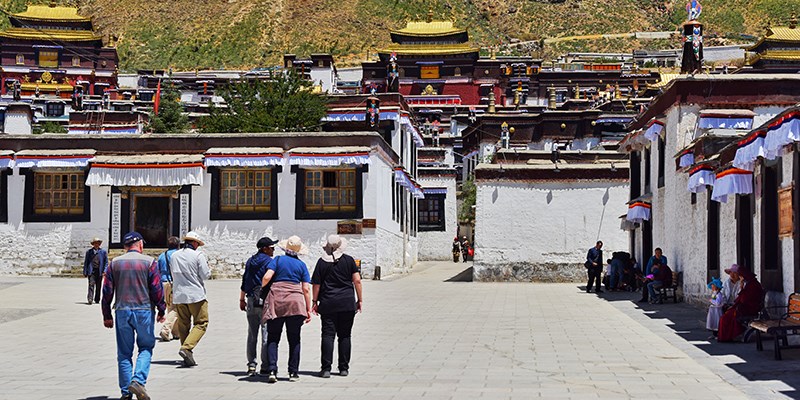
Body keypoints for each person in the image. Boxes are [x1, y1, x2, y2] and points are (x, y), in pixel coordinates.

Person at [101, 232, 166, 400]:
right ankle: (138, 380)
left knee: (124, 353)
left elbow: (107, 291)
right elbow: (156, 289)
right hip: (144, 310)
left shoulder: (114, 263)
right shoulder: (150, 262)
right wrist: (161, 308)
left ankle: (125, 392)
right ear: (140, 245)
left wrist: (106, 314)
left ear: (125, 247)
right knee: (145, 347)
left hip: (122, 310)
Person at [261, 235, 313, 383]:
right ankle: (293, 373)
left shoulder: (277, 260)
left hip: (276, 301)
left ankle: (272, 370)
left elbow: (267, 277)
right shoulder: (302, 265)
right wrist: (308, 309)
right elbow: (306, 288)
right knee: (294, 339)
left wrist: (262, 289)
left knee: (273, 337)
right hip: (295, 304)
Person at [311, 235, 363, 378]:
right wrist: (360, 300)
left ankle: (326, 368)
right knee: (345, 335)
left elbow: (316, 284)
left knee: (328, 335)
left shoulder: (321, 262)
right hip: (347, 303)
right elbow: (357, 281)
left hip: (328, 303)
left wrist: (314, 302)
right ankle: (343, 368)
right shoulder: (349, 260)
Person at [171, 231, 211, 367]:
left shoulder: (174, 256)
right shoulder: (198, 255)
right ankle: (187, 348)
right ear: (194, 243)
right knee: (201, 323)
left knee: (183, 325)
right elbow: (205, 275)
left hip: (179, 294)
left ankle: (186, 353)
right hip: (195, 294)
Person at [239, 236, 277, 376]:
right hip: (264, 300)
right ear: (265, 249)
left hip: (250, 299)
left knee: (252, 333)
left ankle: (251, 364)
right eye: (272, 247)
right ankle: (265, 365)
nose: (273, 250)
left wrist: (241, 299)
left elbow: (245, 280)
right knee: (266, 333)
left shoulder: (250, 261)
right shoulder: (269, 262)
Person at [717, 265, 763, 342]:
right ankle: (725, 336)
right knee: (725, 316)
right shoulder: (748, 284)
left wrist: (741, 288)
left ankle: (729, 336)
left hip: (748, 308)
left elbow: (745, 299)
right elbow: (725, 295)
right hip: (741, 306)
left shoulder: (753, 285)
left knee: (726, 318)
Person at [157, 236, 180, 342]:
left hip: (163, 283)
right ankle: (166, 329)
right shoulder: (178, 255)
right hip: (174, 283)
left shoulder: (162, 255)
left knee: (169, 307)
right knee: (175, 308)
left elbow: (157, 271)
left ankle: (176, 332)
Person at [83, 237, 108, 305]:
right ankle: (90, 298)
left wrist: (104, 271)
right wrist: (85, 271)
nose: (96, 245)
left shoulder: (103, 252)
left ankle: (97, 299)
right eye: (95, 243)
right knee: (91, 284)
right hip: (91, 271)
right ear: (93, 244)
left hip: (99, 271)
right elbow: (86, 262)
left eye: (98, 243)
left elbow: (106, 262)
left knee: (98, 286)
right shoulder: (89, 252)